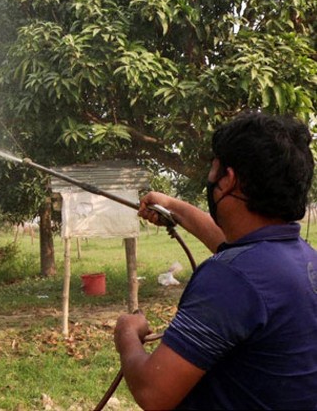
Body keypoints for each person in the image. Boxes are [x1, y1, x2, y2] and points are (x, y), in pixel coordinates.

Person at [114, 111, 317, 409]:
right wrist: (173, 208)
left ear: (230, 180)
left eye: (214, 169)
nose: (210, 179)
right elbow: (230, 247)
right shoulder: (301, 258)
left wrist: (127, 334)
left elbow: (152, 391)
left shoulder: (231, 278)